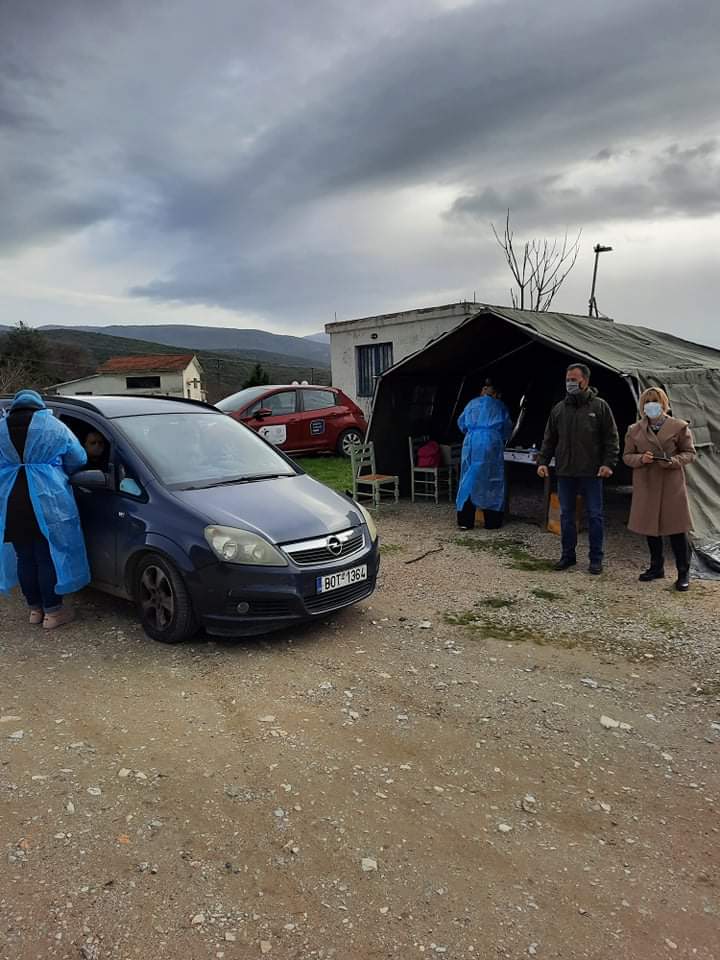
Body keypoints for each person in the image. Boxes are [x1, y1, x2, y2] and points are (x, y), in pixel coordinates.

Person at [0, 390, 91, 629]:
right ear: (38, 405)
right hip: (47, 497)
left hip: (11, 497)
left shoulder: (1, 428)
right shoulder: (54, 426)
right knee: (47, 555)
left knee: (24, 556)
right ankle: (53, 611)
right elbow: (78, 458)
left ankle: (34, 609)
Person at [536, 363, 619, 574]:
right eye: (567, 379)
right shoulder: (559, 409)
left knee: (595, 515)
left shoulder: (599, 407)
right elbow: (549, 438)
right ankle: (567, 556)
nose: (570, 383)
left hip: (592, 471)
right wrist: (543, 461)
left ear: (585, 381)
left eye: (574, 379)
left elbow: (611, 438)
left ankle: (596, 559)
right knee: (566, 515)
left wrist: (608, 463)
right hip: (565, 471)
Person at [623, 387, 695, 591]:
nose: (651, 405)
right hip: (646, 482)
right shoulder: (634, 429)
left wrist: (673, 461)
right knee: (650, 527)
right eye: (647, 402)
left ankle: (683, 572)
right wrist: (641, 459)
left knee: (676, 528)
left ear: (663, 403)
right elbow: (627, 456)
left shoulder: (679, 426)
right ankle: (656, 567)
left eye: (654, 401)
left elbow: (690, 453)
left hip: (671, 483)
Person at [456, 382, 513, 530]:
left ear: (483, 391)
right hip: (491, 442)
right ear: (496, 394)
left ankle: (465, 521)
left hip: (471, 442)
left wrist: (472, 431)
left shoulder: (471, 404)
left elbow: (461, 423)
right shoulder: (499, 405)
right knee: (492, 479)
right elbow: (507, 427)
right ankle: (492, 521)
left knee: (468, 479)